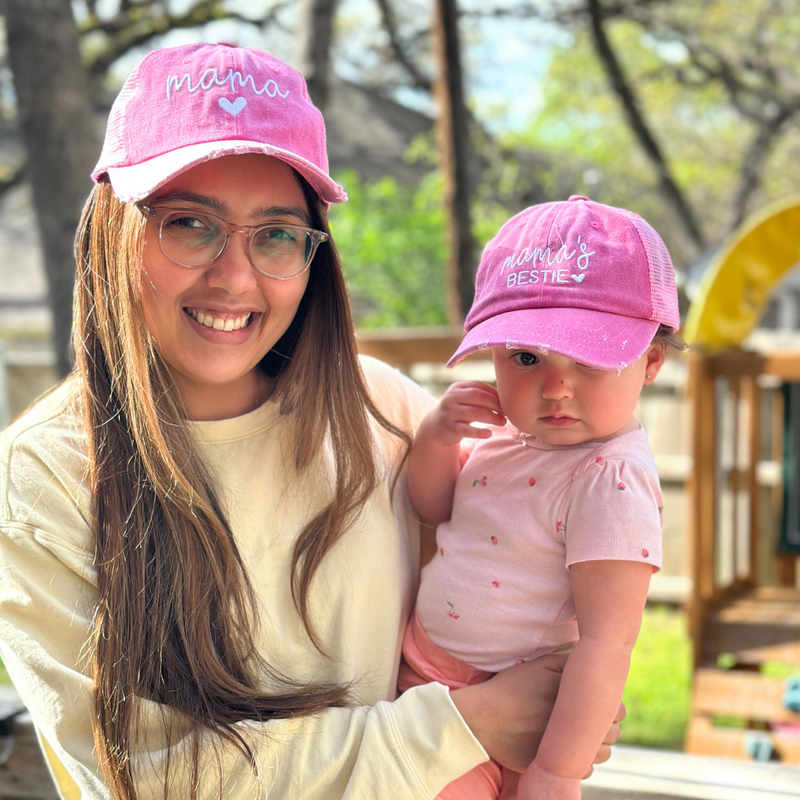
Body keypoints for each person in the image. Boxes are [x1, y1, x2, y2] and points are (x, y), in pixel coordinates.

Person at [0, 44, 622, 800]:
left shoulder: (383, 413)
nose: (234, 275)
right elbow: (146, 777)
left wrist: (567, 693)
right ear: (113, 231)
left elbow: (522, 580)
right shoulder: (44, 475)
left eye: (275, 235)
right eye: (189, 224)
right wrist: (464, 725)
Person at [402, 197, 683, 800]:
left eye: (588, 359)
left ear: (650, 362)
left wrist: (557, 772)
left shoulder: (608, 478)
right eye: (526, 358)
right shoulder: (508, 437)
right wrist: (437, 437)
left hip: (519, 709)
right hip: (423, 683)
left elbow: (610, 641)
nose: (556, 387)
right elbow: (432, 509)